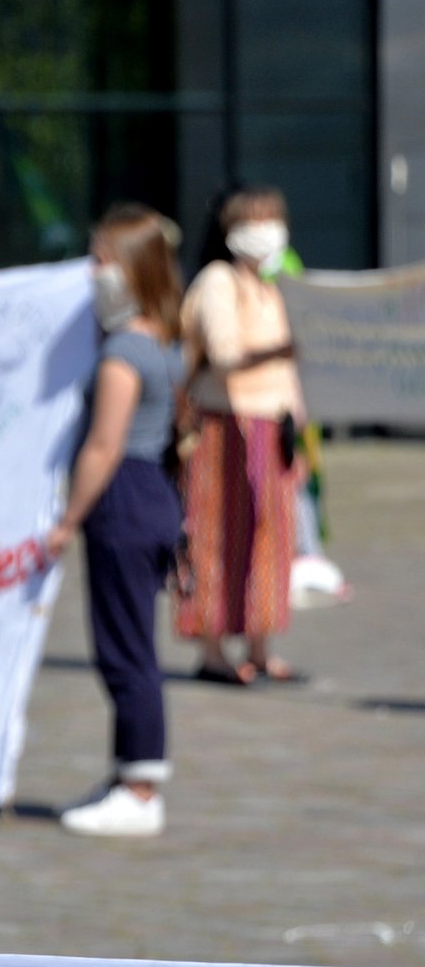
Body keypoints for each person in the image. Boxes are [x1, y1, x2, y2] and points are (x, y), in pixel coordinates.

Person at [48, 205, 187, 837]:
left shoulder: (125, 351)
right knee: (131, 641)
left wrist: (67, 519)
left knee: (125, 649)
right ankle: (130, 770)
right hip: (151, 491)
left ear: (129, 269)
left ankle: (140, 788)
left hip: (124, 494)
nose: (92, 271)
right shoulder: (163, 340)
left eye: (101, 260)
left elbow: (104, 445)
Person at [175, 185, 306, 685]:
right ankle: (211, 650)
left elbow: (297, 369)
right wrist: (281, 351)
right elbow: (225, 355)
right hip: (223, 420)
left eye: (274, 218)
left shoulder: (280, 283)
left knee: (271, 537)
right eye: (256, 220)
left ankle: (260, 645)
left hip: (276, 423)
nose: (269, 229)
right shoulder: (217, 281)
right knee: (215, 533)